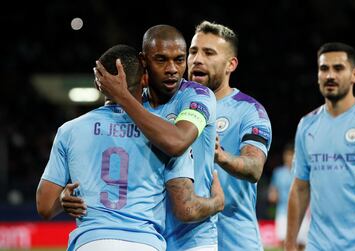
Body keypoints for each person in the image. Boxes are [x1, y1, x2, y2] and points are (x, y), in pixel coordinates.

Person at [36, 44, 223, 251]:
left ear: (100, 83)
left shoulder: (70, 130)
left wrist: (63, 201)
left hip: (90, 241)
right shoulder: (164, 133)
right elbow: (184, 206)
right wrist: (216, 202)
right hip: (144, 241)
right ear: (145, 79)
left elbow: (44, 206)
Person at [187, 21, 272, 251]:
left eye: (208, 53)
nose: (197, 59)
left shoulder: (249, 111)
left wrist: (220, 156)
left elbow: (254, 167)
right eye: (193, 51)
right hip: (184, 241)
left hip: (234, 242)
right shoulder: (173, 108)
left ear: (230, 64)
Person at [285, 42, 355, 251]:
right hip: (319, 245)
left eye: (338, 68)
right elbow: (299, 189)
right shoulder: (307, 125)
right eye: (324, 69)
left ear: (354, 75)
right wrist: (290, 246)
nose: (330, 75)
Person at [268, 141, 309, 250]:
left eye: (292, 154)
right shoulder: (278, 173)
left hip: (301, 212)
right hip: (283, 212)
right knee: (283, 242)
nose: (289, 157)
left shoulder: (301, 172)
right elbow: (273, 191)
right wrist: (273, 196)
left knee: (301, 244)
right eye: (287, 154)